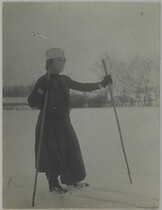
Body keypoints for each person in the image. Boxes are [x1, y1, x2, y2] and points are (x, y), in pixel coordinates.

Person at [28, 48, 113, 193]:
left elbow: (82, 87)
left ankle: (72, 179)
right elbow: (32, 102)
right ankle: (53, 184)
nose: (63, 63)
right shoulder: (43, 80)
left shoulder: (64, 79)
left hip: (64, 122)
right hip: (48, 124)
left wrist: (102, 84)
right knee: (52, 153)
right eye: (59, 60)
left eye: (64, 60)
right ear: (50, 62)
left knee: (71, 150)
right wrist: (41, 90)